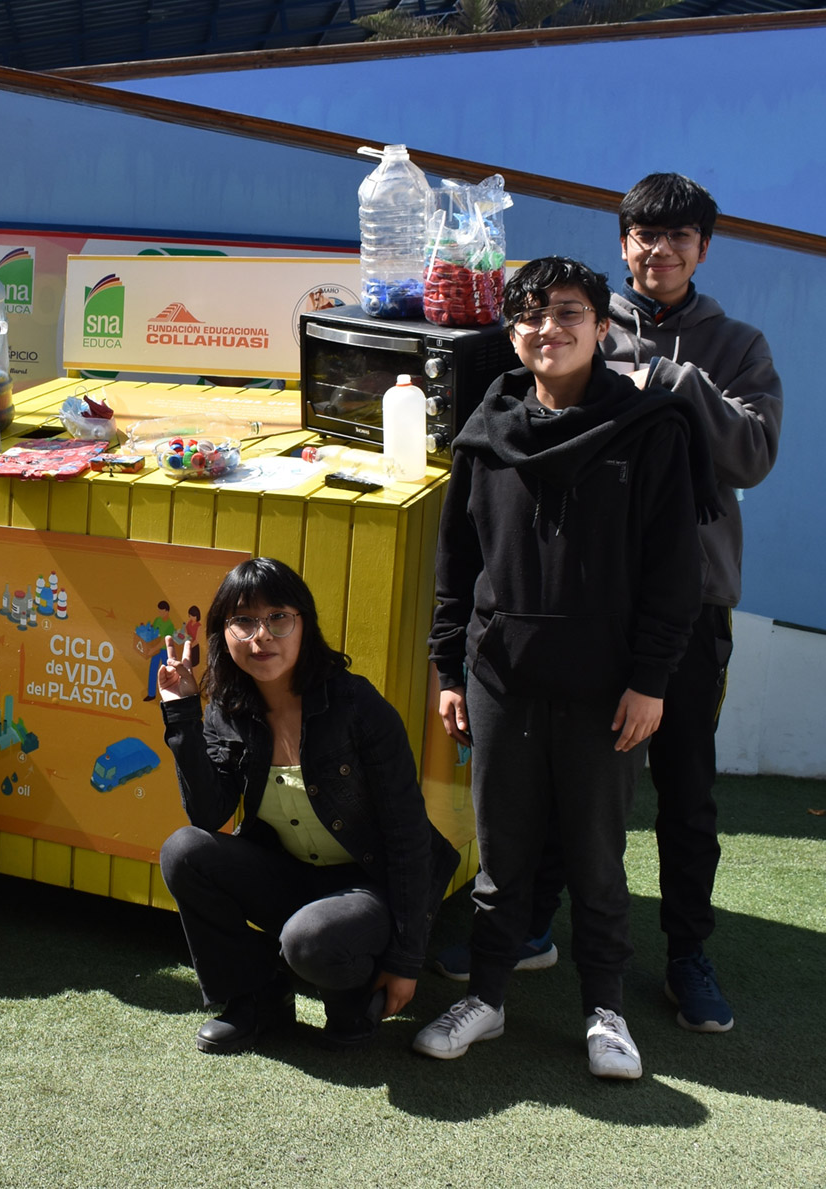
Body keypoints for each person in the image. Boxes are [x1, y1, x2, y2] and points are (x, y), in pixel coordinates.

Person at [434, 176, 783, 1036]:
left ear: (704, 247)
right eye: (641, 237)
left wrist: (673, 381)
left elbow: (751, 455)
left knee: (684, 787)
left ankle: (688, 952)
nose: (656, 252)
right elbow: (492, 426)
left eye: (676, 239)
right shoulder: (574, 311)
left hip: (686, 602)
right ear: (622, 243)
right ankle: (534, 925)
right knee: (554, 772)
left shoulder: (736, 344)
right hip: (568, 607)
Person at [416, 257, 717, 1080]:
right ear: (511, 331)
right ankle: (486, 995)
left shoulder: (651, 430)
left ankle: (606, 1010)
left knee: (596, 854)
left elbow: (674, 576)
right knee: (503, 850)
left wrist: (651, 679)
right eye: (531, 314)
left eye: (568, 312)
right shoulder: (488, 427)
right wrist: (448, 667)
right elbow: (457, 563)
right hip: (501, 676)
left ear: (601, 326)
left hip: (605, 688)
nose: (548, 327)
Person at [155, 557, 458, 1054]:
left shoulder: (357, 706)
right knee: (184, 850)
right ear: (222, 635)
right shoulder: (228, 711)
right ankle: (256, 998)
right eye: (244, 621)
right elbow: (208, 816)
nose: (261, 638)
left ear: (304, 625)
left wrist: (406, 961)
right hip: (292, 877)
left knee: (311, 946)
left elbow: (408, 835)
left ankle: (346, 982)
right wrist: (182, 712)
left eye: (278, 618)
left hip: (370, 884)